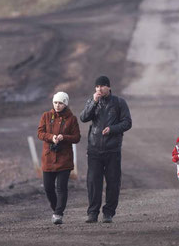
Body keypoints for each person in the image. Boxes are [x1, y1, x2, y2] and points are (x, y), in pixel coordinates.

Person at [80, 75, 132, 223]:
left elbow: (127, 123)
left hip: (112, 149)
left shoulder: (119, 103)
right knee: (93, 182)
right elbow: (83, 117)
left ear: (108, 87)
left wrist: (112, 129)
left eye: (102, 86)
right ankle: (92, 213)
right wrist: (94, 103)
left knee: (113, 182)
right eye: (97, 87)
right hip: (94, 149)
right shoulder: (92, 101)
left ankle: (108, 213)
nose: (99, 89)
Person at [37, 91, 81, 225]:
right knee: (48, 188)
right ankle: (56, 209)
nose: (57, 105)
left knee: (61, 188)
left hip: (64, 159)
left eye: (60, 103)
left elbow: (77, 138)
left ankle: (58, 214)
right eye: (55, 102)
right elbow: (40, 133)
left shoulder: (72, 119)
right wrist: (52, 137)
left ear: (65, 104)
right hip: (48, 158)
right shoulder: (46, 116)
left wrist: (64, 138)